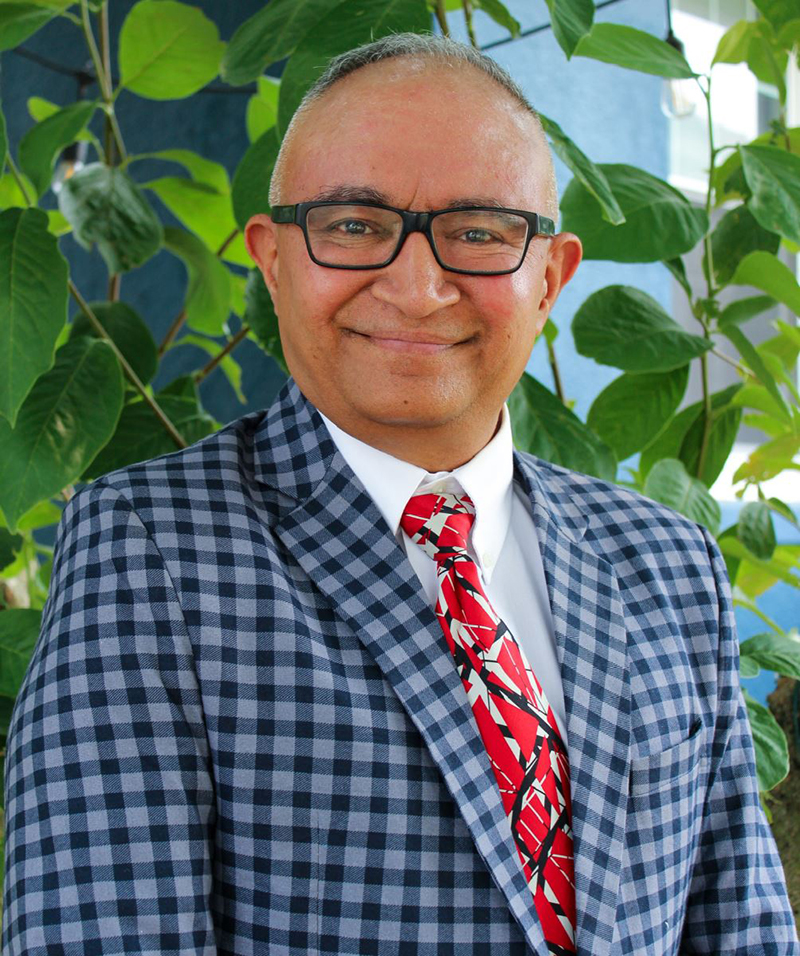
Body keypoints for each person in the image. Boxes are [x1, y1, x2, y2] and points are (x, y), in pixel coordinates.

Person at [3, 31, 797, 956]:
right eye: (353, 225)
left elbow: (743, 930)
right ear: (273, 260)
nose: (418, 289)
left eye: (479, 232)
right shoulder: (149, 551)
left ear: (550, 276)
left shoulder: (669, 562)